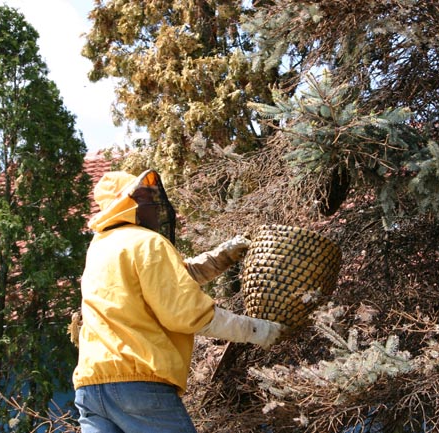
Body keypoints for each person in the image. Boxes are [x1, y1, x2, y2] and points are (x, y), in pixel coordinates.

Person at [73, 169, 283, 433]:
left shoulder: (100, 247)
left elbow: (174, 278)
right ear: (127, 203)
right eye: (146, 196)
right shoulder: (147, 243)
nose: (153, 204)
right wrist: (259, 330)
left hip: (91, 388)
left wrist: (221, 257)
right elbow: (188, 314)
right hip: (138, 383)